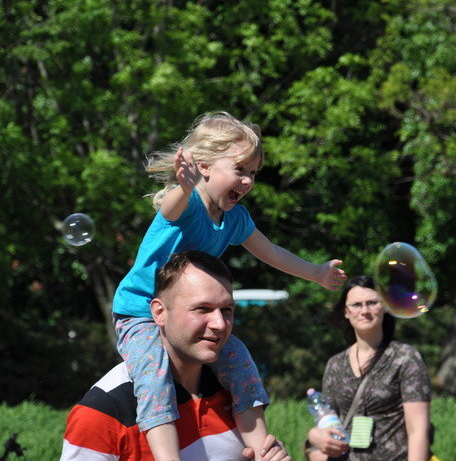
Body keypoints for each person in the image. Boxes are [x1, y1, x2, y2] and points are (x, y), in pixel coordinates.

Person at [112, 111, 346, 461]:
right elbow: (170, 210)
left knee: (238, 358)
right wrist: (185, 185)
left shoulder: (235, 219)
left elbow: (272, 253)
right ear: (204, 166)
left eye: (252, 173)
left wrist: (316, 273)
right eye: (240, 170)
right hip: (141, 312)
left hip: (191, 319)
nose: (248, 181)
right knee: (154, 374)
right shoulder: (187, 203)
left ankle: (260, 448)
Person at [61, 251, 290, 461]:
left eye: (227, 310)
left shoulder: (234, 387)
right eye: (202, 309)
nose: (220, 324)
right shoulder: (103, 411)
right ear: (159, 312)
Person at [306, 275, 431, 461]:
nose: (365, 310)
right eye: (356, 305)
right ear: (346, 312)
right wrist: (315, 436)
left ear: (385, 307)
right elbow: (330, 423)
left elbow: (418, 431)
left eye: (372, 302)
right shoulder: (335, 364)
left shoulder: (405, 358)